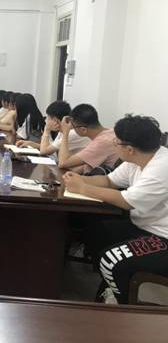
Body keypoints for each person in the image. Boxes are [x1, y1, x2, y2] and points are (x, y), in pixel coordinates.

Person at [63, 115, 168, 304]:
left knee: (111, 260)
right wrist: (78, 180)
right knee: (97, 232)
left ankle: (123, 306)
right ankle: (112, 285)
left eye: (116, 142)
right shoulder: (138, 157)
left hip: (163, 237)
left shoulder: (161, 168)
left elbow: (126, 201)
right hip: (144, 226)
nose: (114, 144)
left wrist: (83, 188)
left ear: (130, 149)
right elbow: (109, 181)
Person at [58, 104, 119, 174]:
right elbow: (84, 166)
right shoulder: (111, 132)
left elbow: (62, 163)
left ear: (83, 130)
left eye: (73, 126)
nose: (72, 128)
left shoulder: (101, 143)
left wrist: (65, 132)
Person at [17, 100, 90, 157]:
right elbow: (51, 147)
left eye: (48, 118)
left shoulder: (71, 133)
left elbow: (43, 151)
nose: (46, 121)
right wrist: (30, 144)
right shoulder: (64, 130)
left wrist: (46, 130)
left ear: (55, 120)